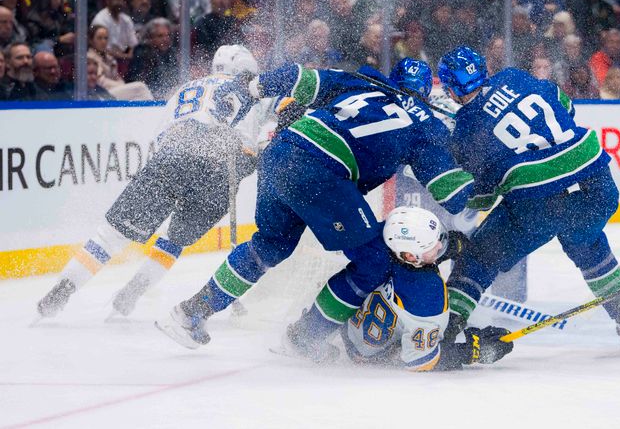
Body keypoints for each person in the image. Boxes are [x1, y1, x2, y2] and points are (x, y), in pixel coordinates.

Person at [156, 58, 474, 352]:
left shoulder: (364, 81)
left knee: (269, 246)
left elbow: (298, 78)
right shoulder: (426, 127)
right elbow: (454, 195)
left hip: (281, 151)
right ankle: (301, 341)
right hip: (320, 172)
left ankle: (190, 313)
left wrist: (252, 86)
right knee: (375, 261)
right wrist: (485, 172)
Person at [435, 45, 620, 352]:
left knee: (479, 257)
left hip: (538, 204)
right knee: (586, 240)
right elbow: (566, 106)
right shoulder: (513, 76)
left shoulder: (467, 130)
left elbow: (481, 198)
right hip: (598, 185)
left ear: (451, 90)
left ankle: (444, 330)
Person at [36, 46, 268, 318]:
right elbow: (248, 149)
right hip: (216, 172)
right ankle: (131, 293)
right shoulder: (252, 94)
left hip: (171, 155)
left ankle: (63, 289)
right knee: (174, 240)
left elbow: (162, 137)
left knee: (111, 235)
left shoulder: (189, 87)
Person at [340, 206, 513, 371]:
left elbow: (409, 268)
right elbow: (419, 361)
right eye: (431, 245)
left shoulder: (384, 250)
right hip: (371, 356)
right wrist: (472, 352)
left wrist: (442, 251)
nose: (439, 245)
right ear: (410, 256)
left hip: (350, 328)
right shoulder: (427, 294)